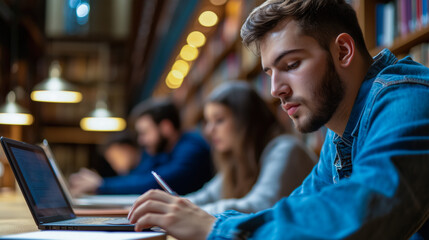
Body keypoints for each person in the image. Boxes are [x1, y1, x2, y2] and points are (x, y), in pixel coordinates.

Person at [127, 0, 429, 239]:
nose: (275, 91)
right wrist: (207, 222)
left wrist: (214, 229)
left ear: (343, 51)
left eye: (292, 64)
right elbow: (301, 207)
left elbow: (367, 211)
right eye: (270, 73)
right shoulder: (340, 131)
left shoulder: (408, 100)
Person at [184, 81, 317, 215]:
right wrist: (172, 205)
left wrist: (187, 214)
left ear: (245, 120)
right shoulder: (237, 160)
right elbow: (207, 196)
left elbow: (259, 206)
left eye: (219, 120)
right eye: (208, 122)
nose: (209, 130)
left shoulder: (286, 148)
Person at [69, 98, 213, 196]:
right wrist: (101, 184)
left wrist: (101, 185)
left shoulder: (192, 148)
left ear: (166, 127)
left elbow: (154, 184)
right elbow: (139, 177)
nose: (141, 141)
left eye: (144, 133)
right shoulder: (164, 152)